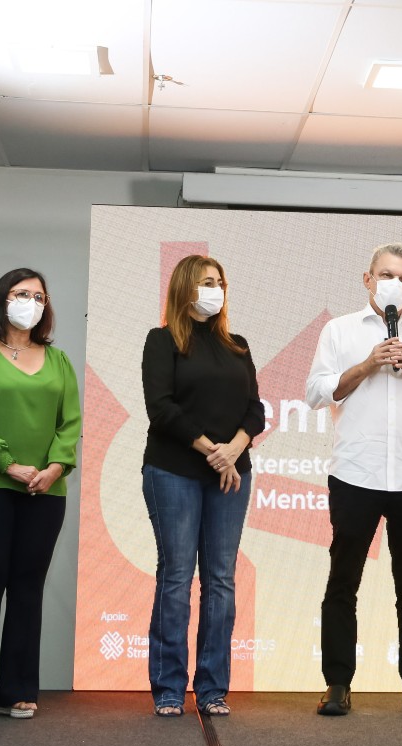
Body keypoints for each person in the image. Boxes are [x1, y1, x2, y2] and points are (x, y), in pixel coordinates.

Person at [306, 243, 402, 718]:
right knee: (343, 580)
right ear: (367, 279)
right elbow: (315, 393)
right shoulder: (339, 330)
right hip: (356, 474)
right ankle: (337, 684)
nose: (395, 283)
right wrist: (369, 365)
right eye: (386, 274)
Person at [0, 268, 81, 721]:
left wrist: (54, 467)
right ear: (1, 301)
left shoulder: (58, 361)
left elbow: (70, 423)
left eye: (39, 295)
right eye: (22, 293)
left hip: (46, 489)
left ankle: (18, 689)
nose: (31, 301)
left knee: (28, 587)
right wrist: (8, 463)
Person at [141, 254, 263, 718]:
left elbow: (256, 410)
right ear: (185, 288)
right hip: (174, 470)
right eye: (206, 282)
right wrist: (213, 450)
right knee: (176, 577)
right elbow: (162, 407)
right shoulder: (162, 340)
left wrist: (232, 450)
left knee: (220, 580)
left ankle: (213, 687)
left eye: (219, 282)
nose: (215, 289)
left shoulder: (237, 344)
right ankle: (169, 688)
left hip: (231, 473)